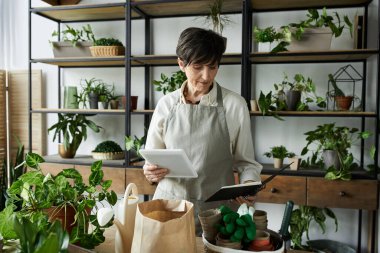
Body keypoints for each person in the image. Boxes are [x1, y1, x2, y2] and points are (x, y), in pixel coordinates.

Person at [143, 27, 262, 234]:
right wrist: (150, 172)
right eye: (198, 66)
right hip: (169, 207)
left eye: (213, 67)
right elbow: (151, 163)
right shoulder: (165, 105)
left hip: (217, 213)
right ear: (181, 63)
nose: (206, 76)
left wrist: (249, 184)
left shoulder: (235, 105)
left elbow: (246, 162)